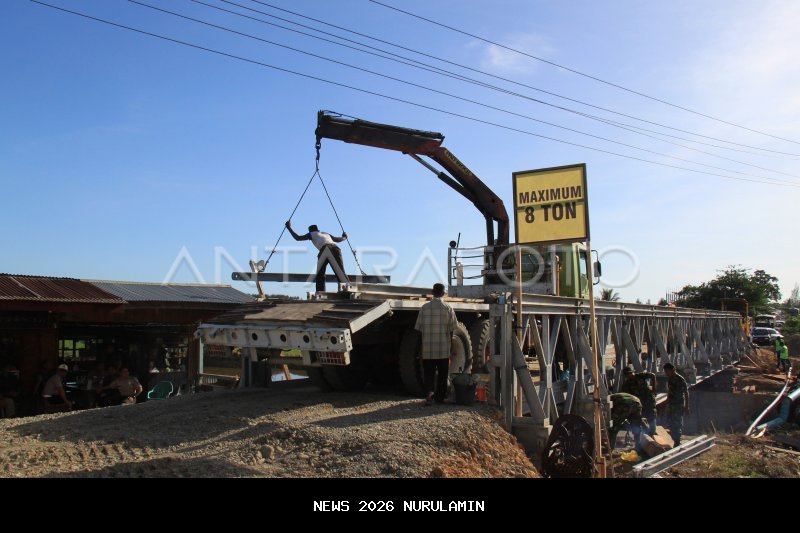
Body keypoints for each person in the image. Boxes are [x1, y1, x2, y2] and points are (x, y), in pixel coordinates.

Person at [414, 283, 457, 406]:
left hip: (428, 349)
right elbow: (452, 329)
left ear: (432, 293)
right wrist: (450, 346)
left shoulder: (424, 308)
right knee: (443, 375)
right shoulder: (448, 308)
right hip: (443, 349)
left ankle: (429, 394)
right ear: (443, 293)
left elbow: (419, 330)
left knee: (429, 374)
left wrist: (419, 348)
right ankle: (440, 398)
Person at [285, 221, 348, 292]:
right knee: (340, 272)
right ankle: (347, 290)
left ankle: (320, 292)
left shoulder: (312, 234)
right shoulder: (325, 233)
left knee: (320, 274)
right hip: (336, 249)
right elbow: (337, 239)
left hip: (325, 249)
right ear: (318, 230)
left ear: (310, 232)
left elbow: (298, 238)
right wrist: (344, 237)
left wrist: (289, 228)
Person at [620, 364, 657, 436]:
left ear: (632, 372)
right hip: (639, 403)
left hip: (648, 400)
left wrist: (654, 388)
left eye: (629, 374)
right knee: (638, 418)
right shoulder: (627, 384)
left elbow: (652, 375)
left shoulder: (641, 376)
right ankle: (644, 433)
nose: (628, 376)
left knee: (651, 416)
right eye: (626, 375)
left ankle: (652, 432)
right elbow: (625, 395)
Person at [664, 362, 689, 447]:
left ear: (673, 370)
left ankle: (677, 442)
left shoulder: (680, 379)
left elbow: (686, 393)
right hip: (671, 405)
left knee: (677, 423)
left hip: (678, 405)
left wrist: (686, 406)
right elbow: (670, 392)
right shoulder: (670, 379)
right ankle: (674, 440)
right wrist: (666, 402)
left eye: (667, 371)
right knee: (670, 422)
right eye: (665, 372)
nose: (666, 373)